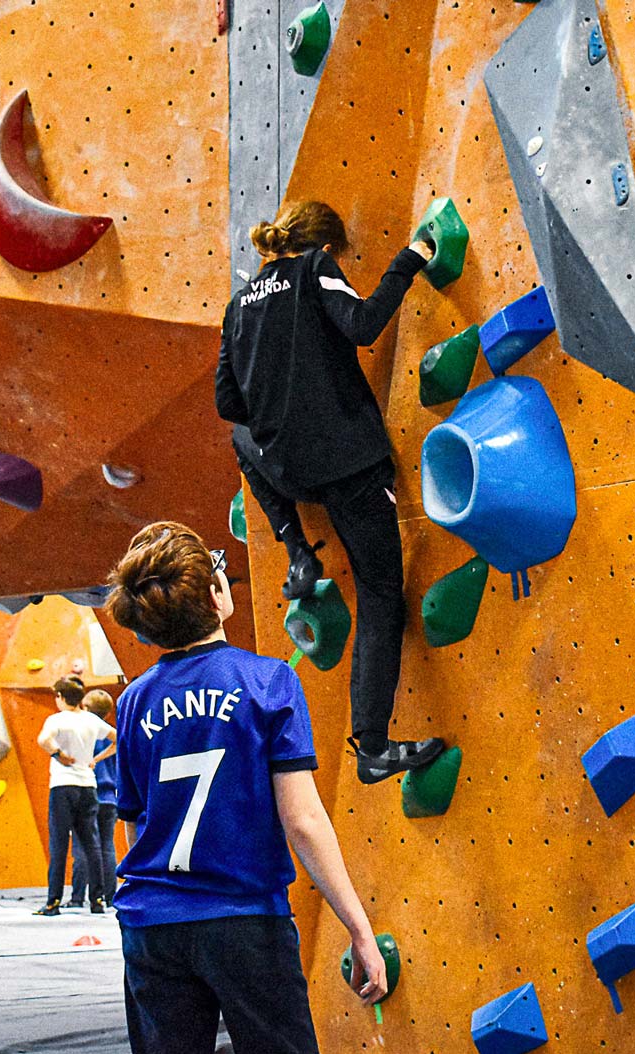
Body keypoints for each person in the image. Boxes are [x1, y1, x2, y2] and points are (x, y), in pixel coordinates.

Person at [105, 520, 388, 1054]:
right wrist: (359, 928)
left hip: (152, 927)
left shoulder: (134, 700)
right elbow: (304, 821)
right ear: (216, 596)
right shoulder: (268, 682)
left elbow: (136, 824)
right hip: (244, 923)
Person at [214, 198, 446, 786]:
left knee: (244, 441)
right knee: (379, 592)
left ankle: (294, 543)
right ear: (323, 245)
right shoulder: (313, 267)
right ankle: (371, 742)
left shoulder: (238, 306)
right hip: (348, 466)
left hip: (292, 473)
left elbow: (229, 406)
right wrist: (412, 258)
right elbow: (364, 324)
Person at [34, 676, 114, 916]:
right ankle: (97, 900)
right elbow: (116, 738)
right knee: (92, 844)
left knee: (59, 843)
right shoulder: (91, 720)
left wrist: (58, 754)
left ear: (60, 697)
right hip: (88, 786)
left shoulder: (57, 719)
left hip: (63, 785)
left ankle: (53, 902)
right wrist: (95, 760)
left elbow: (42, 740)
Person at [69, 688, 119, 910]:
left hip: (87, 794)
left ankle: (78, 896)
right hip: (109, 797)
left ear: (86, 708)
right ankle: (109, 896)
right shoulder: (110, 736)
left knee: (82, 847)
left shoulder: (83, 733)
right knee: (107, 846)